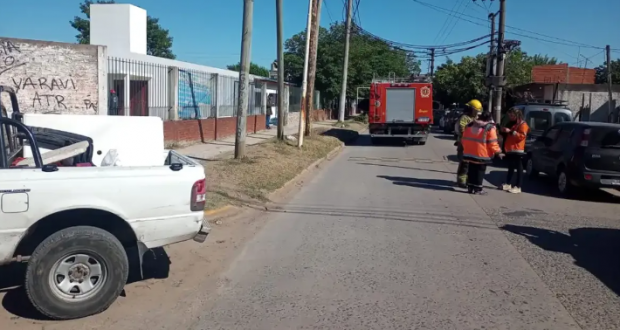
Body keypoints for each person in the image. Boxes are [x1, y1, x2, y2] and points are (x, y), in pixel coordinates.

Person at [461, 111, 504, 195]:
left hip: (469, 153)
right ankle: (478, 189)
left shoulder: (470, 125)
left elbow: (464, 139)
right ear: (489, 118)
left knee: (471, 170)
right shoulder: (489, 128)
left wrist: (466, 148)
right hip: (482, 154)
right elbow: (492, 143)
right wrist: (498, 152)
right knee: (480, 171)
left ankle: (470, 187)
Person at [500, 107, 529, 194]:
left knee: (519, 167)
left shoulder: (523, 125)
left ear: (517, 115)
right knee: (511, 166)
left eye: (512, 116)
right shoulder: (514, 124)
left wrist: (511, 131)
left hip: (518, 149)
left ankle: (518, 186)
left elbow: (521, 136)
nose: (511, 117)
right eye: (510, 116)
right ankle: (508, 183)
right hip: (511, 149)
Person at [455, 99, 483, 188]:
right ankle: (461, 180)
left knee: (471, 163)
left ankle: (468, 180)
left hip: (473, 145)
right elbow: (462, 128)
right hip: (464, 144)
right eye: (476, 111)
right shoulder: (465, 118)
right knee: (464, 163)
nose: (477, 113)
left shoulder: (476, 118)